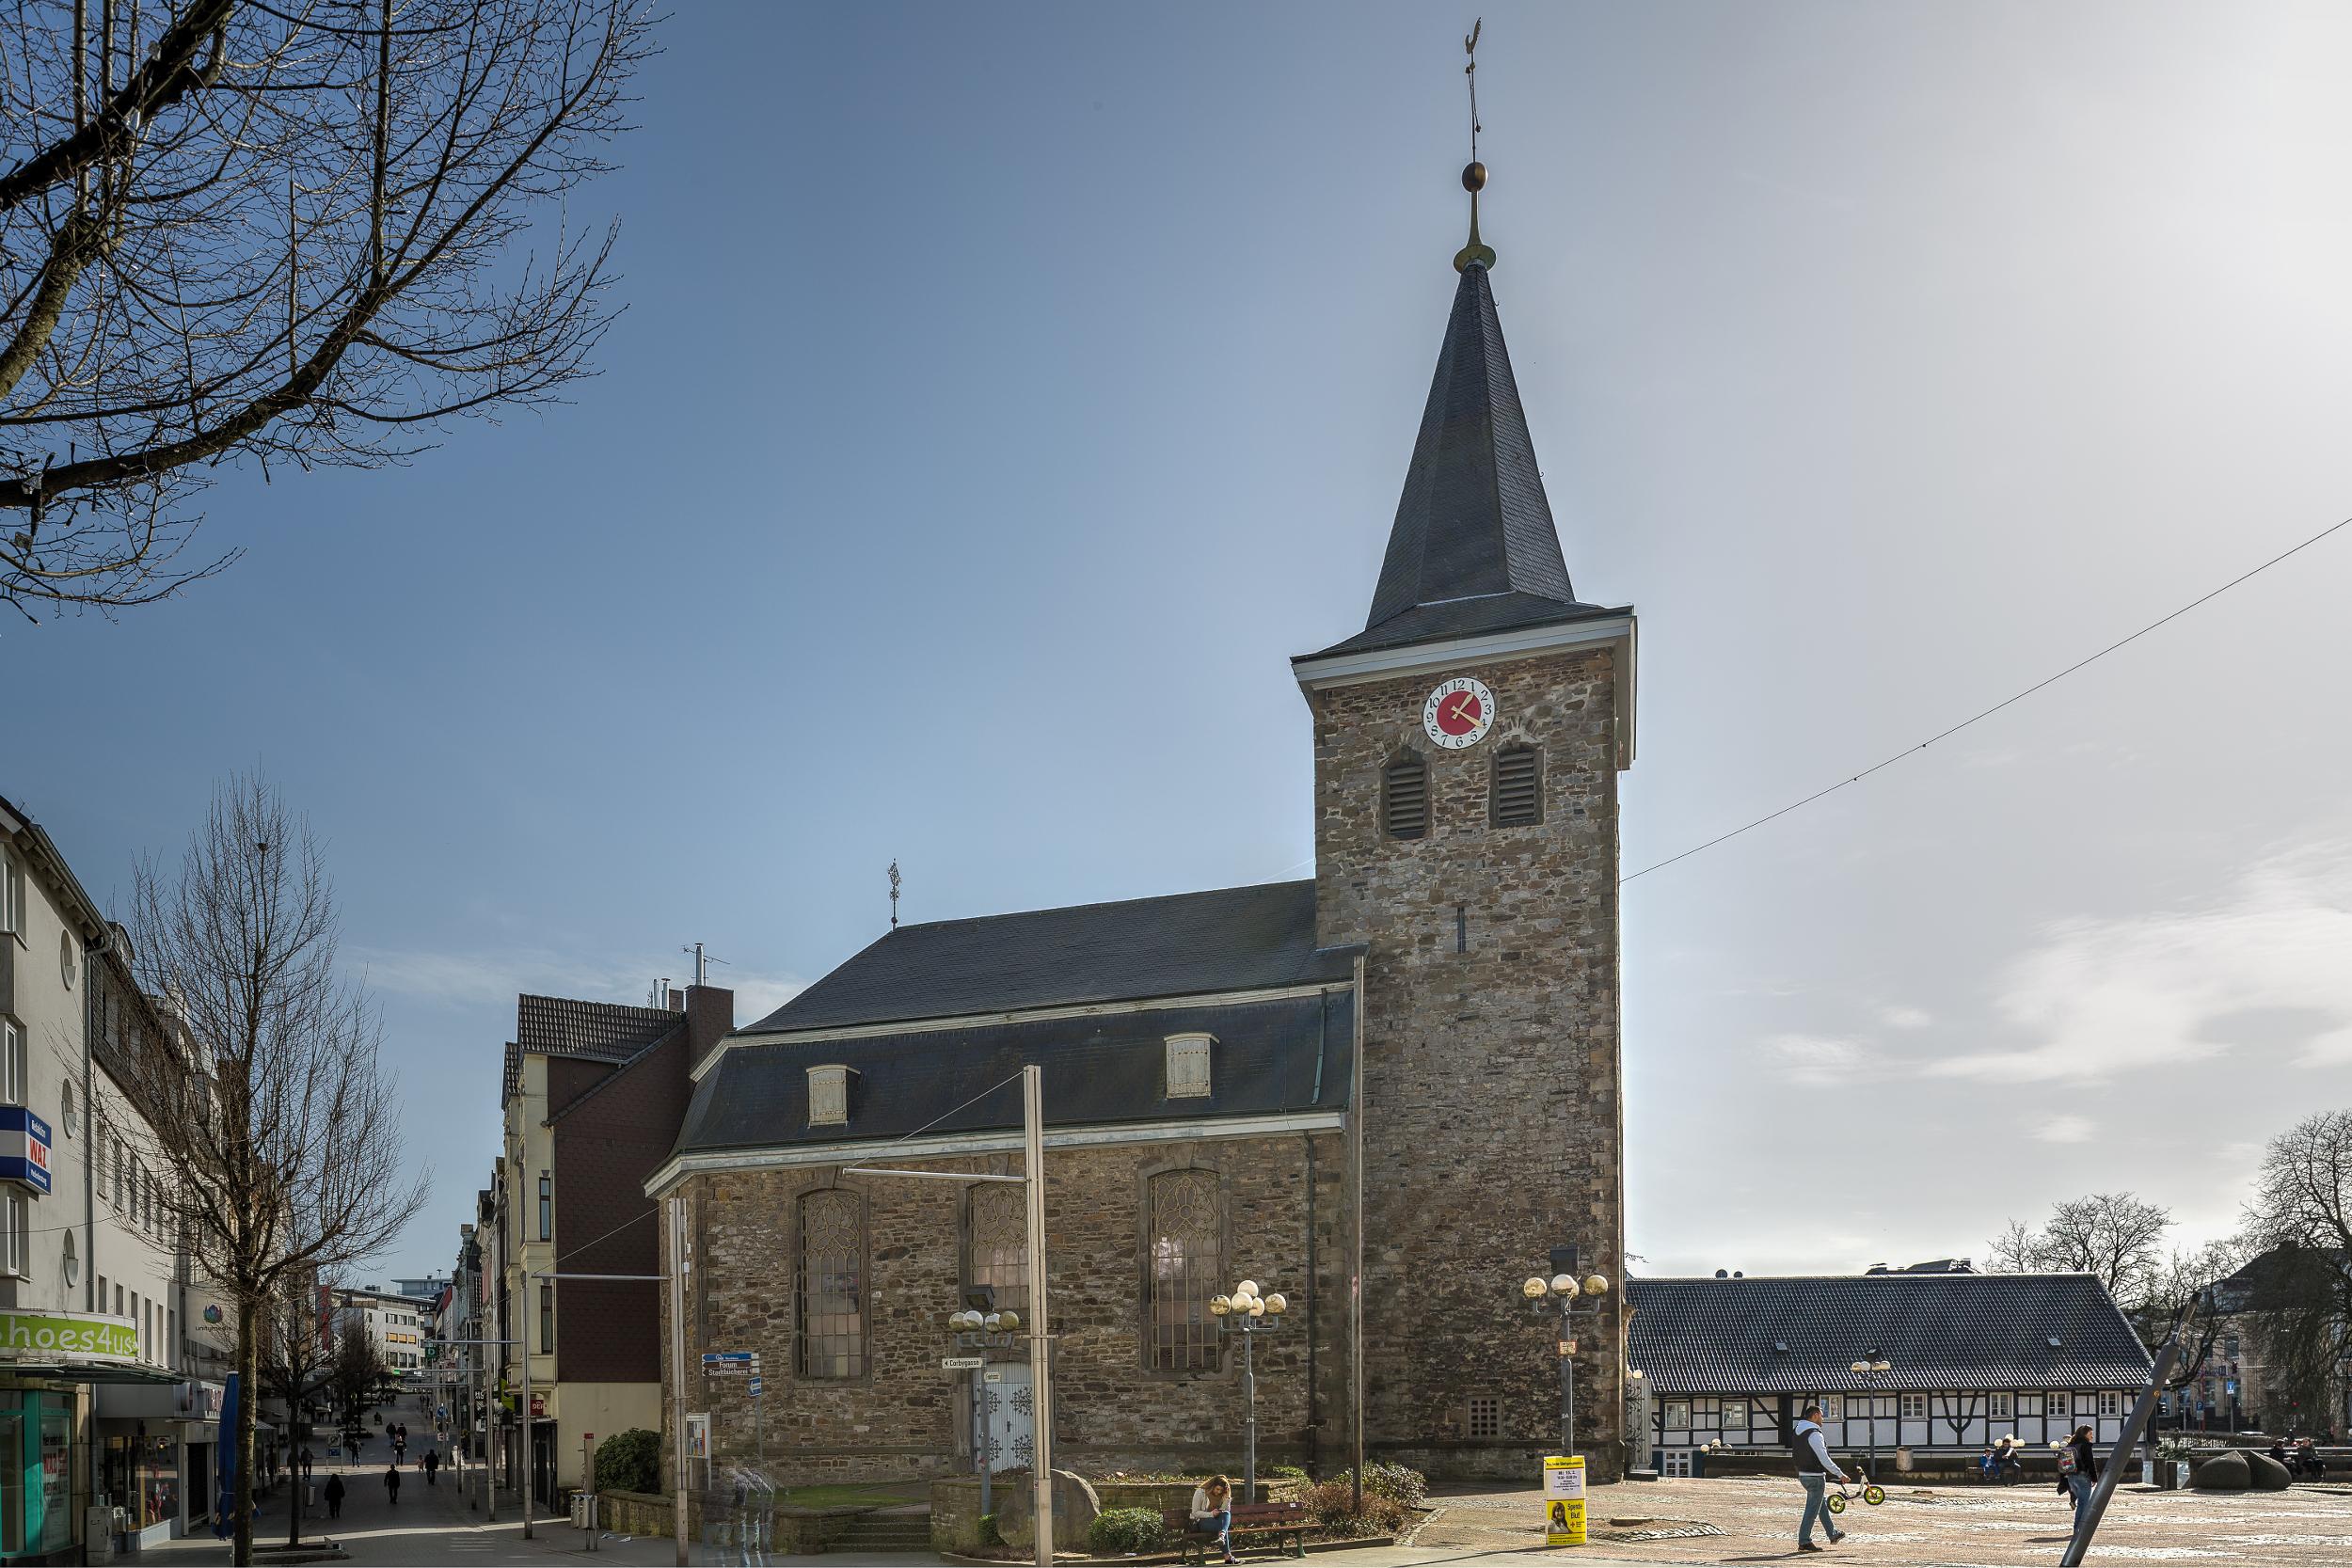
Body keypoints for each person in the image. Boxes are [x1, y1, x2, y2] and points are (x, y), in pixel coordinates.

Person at [1788, 1402, 1850, 1552]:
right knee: (1811, 1510)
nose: (1823, 1419)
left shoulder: (1797, 1430)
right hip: (1815, 1476)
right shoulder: (1814, 1433)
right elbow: (1824, 1458)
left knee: (1820, 1504)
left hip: (1803, 1474)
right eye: (1821, 1415)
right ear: (1815, 1415)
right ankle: (1804, 1541)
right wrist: (1840, 1474)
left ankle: (1832, 1534)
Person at [1188, 1475, 1237, 1566]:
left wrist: (1227, 1498)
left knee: (1226, 1514)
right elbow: (1195, 1512)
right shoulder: (1200, 1492)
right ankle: (1227, 1553)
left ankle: (1221, 1537)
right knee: (1223, 1528)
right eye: (1217, 1489)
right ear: (1212, 1486)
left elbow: (1225, 1510)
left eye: (1221, 1490)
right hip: (1201, 1522)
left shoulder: (1223, 1495)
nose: (1218, 1492)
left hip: (1217, 1522)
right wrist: (1210, 1514)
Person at [2060, 1424, 2098, 1534]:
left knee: (2081, 1502)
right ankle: (2079, 1529)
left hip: (2071, 1477)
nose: (2092, 1437)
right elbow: (2090, 1462)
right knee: (2083, 1503)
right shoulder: (2085, 1445)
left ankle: (2078, 1528)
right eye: (2090, 1434)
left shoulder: (2071, 1444)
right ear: (2085, 1434)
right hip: (2083, 1477)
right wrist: (2094, 1478)